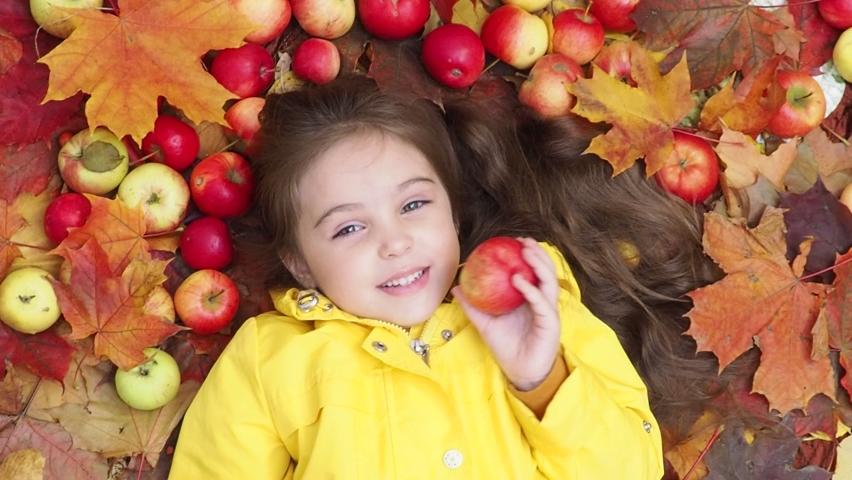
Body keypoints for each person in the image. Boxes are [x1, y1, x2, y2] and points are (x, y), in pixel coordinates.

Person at [169, 76, 727, 479]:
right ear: (300, 263)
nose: (394, 242)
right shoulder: (272, 361)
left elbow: (628, 471)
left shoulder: (534, 305)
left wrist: (543, 383)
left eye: (413, 206)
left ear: (452, 211)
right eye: (347, 229)